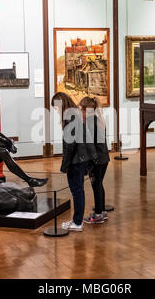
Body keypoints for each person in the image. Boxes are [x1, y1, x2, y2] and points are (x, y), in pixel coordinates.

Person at [51, 92, 98, 232]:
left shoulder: (70, 117)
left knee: (77, 191)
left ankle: (78, 222)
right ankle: (76, 220)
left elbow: (69, 146)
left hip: (77, 160)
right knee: (78, 191)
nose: (55, 109)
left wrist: (64, 165)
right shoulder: (75, 114)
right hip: (80, 158)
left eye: (55, 106)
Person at [79, 97, 110, 224]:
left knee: (96, 186)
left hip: (97, 160)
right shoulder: (98, 119)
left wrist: (89, 161)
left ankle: (97, 215)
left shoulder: (90, 123)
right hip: (104, 158)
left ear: (87, 110)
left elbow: (91, 145)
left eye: (81, 109)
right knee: (99, 185)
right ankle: (101, 211)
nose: (80, 111)